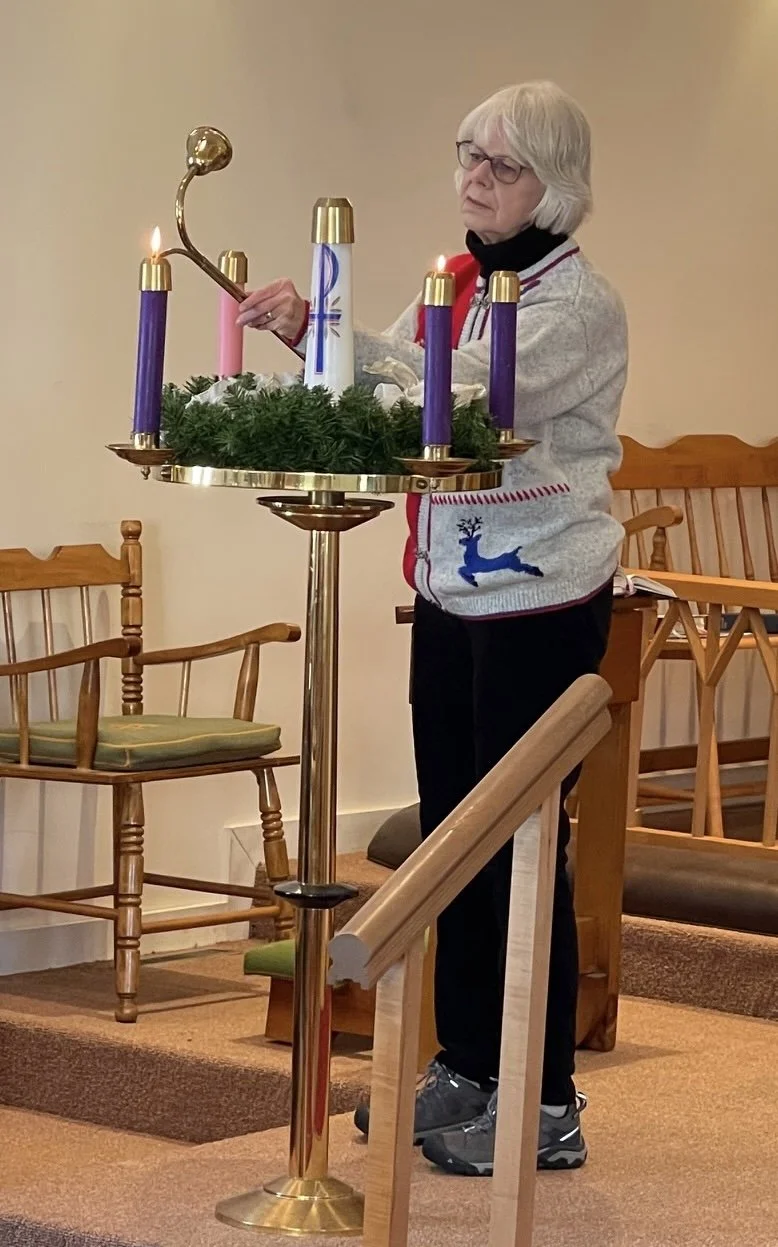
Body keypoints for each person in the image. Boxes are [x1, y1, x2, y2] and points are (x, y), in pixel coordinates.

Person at [238, 80, 627, 1177]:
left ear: (556, 182)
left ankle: (543, 1090)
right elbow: (382, 393)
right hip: (451, 592)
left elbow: (463, 397)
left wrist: (345, 336)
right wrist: (303, 340)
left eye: (499, 165)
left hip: (542, 598)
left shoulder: (577, 304)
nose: (472, 180)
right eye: (465, 157)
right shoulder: (449, 281)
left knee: (518, 842)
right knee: (452, 842)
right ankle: (466, 1059)